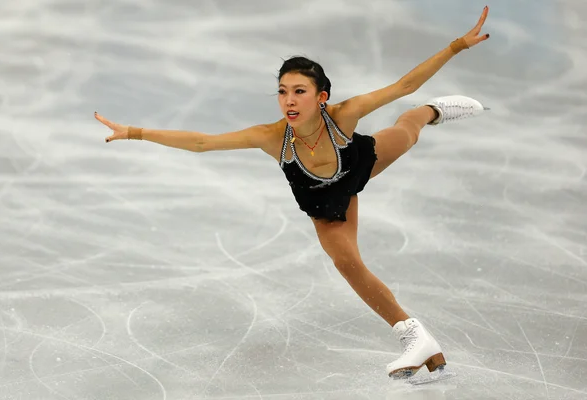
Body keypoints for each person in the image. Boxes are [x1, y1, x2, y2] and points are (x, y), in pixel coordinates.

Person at [95, 6, 491, 379]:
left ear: (321, 97)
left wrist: (456, 46)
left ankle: (433, 110)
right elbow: (202, 142)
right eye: (283, 91)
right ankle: (414, 337)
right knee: (346, 261)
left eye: (299, 91)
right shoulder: (271, 137)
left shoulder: (344, 115)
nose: (289, 100)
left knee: (407, 128)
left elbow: (404, 84)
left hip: (358, 162)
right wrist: (136, 132)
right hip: (324, 201)